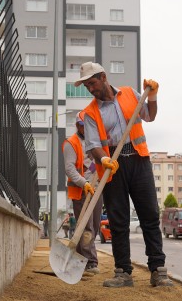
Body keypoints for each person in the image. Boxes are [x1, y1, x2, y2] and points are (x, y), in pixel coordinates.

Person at [75, 61, 173, 288]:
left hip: (139, 160)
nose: (90, 88)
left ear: (103, 77)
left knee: (149, 216)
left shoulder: (130, 94)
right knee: (118, 222)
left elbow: (149, 116)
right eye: (86, 85)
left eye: (92, 83)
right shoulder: (89, 113)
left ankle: (158, 270)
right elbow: (92, 145)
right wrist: (104, 159)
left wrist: (153, 96)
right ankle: (123, 272)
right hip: (112, 168)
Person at [62, 111, 102, 274]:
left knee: (95, 226)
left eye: (87, 126)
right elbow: (69, 168)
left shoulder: (97, 141)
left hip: (97, 187)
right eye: (81, 126)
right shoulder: (71, 143)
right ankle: (90, 262)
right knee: (87, 227)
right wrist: (84, 183)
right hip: (81, 190)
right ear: (77, 125)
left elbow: (99, 162)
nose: (85, 129)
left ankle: (79, 257)